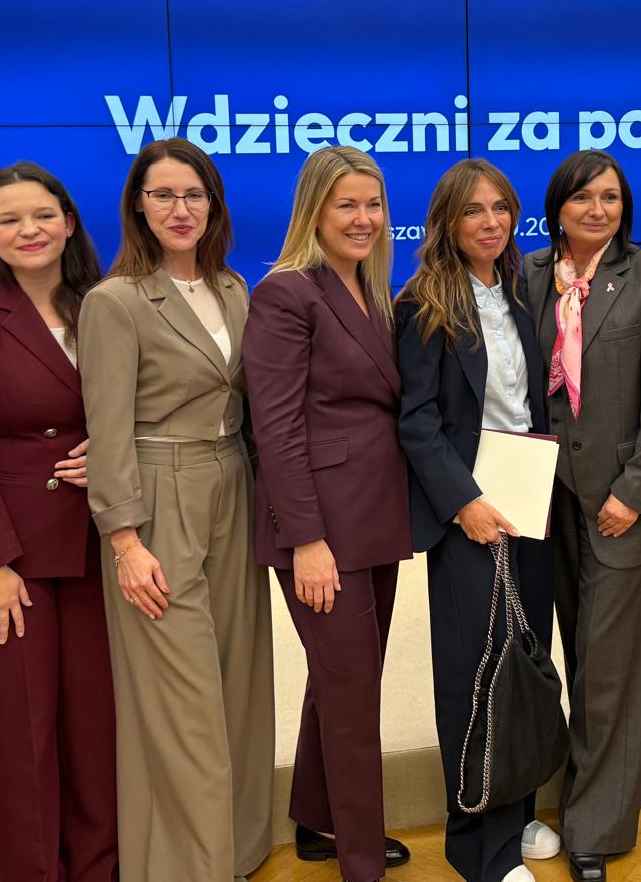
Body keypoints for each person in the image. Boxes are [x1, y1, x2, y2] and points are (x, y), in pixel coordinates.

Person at [78, 138, 273, 882]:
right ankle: (191, 868)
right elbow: (108, 427)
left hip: (234, 485)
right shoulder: (115, 301)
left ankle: (239, 850)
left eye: (194, 194)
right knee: (181, 696)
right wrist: (125, 542)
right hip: (158, 495)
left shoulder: (234, 289)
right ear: (138, 206)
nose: (180, 209)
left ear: (214, 205)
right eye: (163, 194)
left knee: (239, 679)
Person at [0, 162, 117, 881]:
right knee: (20, 738)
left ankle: (100, 870)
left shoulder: (109, 304)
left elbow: (148, 404)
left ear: (69, 222)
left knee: (98, 728)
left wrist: (115, 447)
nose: (28, 230)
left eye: (42, 215)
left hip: (103, 542)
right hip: (6, 555)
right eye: (9, 219)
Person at [245, 145, 414, 882]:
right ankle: (361, 860)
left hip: (375, 516)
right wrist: (306, 541)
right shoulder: (286, 294)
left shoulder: (374, 290)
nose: (363, 218)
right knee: (352, 697)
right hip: (321, 529)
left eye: (373, 205)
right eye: (347, 205)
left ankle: (317, 818)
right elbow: (275, 427)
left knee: (345, 679)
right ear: (313, 211)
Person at [521, 149, 641, 882]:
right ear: (557, 207)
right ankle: (578, 792)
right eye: (583, 198)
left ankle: (597, 827)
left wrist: (636, 490)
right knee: (561, 658)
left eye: (611, 198)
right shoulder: (526, 274)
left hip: (625, 501)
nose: (598, 210)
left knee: (610, 669)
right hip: (542, 497)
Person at [395, 159, 561, 882]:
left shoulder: (521, 290)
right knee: (473, 675)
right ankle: (479, 851)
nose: (490, 222)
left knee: (523, 659)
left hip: (530, 499)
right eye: (472, 211)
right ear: (447, 222)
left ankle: (515, 818)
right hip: (468, 509)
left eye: (500, 208)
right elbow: (417, 420)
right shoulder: (424, 303)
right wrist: (463, 502)